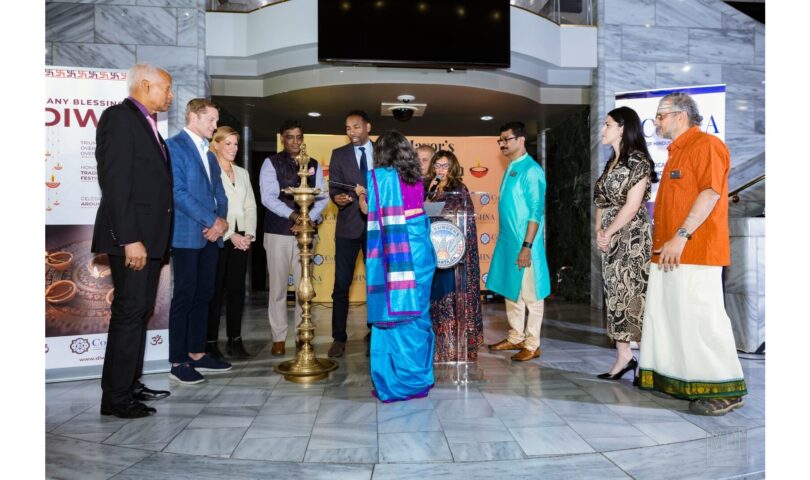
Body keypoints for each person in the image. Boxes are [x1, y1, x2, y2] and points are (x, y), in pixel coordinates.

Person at [638, 93, 747, 415]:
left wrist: (681, 236)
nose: (656, 122)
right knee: (674, 319)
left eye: (661, 115)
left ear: (681, 115)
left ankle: (725, 388)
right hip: (669, 254)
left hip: (696, 252)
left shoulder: (707, 146)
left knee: (703, 319)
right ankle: (683, 380)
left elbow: (711, 193)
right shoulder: (676, 152)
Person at [92, 63, 174, 418]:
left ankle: (130, 383)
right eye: (167, 89)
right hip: (133, 241)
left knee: (138, 312)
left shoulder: (148, 124)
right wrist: (130, 240)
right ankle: (115, 397)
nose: (170, 95)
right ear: (145, 85)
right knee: (128, 314)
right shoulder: (119, 118)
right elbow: (115, 184)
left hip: (150, 240)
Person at [362, 130, 437, 402]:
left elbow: (374, 213)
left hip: (399, 255)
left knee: (397, 318)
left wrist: (363, 197)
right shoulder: (415, 178)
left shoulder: (381, 179)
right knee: (417, 315)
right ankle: (418, 379)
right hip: (421, 252)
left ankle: (397, 383)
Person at [166, 98, 233, 385]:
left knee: (205, 295)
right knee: (185, 296)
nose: (215, 126)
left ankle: (196, 353)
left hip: (211, 236)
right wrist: (211, 221)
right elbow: (177, 192)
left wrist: (221, 222)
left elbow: (221, 193)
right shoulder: (173, 147)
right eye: (211, 120)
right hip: (187, 235)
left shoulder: (208, 154)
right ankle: (177, 361)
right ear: (193, 117)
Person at [593, 106, 657, 381]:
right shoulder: (611, 164)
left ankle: (647, 362)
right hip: (611, 239)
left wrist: (608, 231)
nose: (602, 130)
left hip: (632, 237)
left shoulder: (638, 161)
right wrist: (599, 231)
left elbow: (631, 207)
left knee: (634, 296)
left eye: (607, 125)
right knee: (615, 295)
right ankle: (623, 357)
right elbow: (601, 203)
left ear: (622, 127)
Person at [259, 119, 327, 356]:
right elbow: (268, 197)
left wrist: (307, 220)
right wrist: (293, 216)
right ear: (282, 138)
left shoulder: (314, 164)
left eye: (299, 137)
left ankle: (302, 334)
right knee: (277, 288)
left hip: (306, 234)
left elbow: (322, 198)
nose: (295, 142)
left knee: (303, 287)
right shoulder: (271, 163)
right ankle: (278, 337)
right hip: (278, 231)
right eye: (290, 137)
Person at [486, 121, 551, 361]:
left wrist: (527, 246)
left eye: (506, 139)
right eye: (500, 140)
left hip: (526, 245)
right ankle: (515, 337)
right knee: (512, 292)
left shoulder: (531, 170)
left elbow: (536, 211)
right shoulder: (512, 167)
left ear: (521, 140)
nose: (502, 144)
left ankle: (532, 344)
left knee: (532, 295)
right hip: (508, 244)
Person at [424, 150, 484, 362]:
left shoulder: (460, 189)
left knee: (452, 296)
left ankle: (456, 346)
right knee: (435, 297)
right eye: (437, 165)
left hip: (454, 254)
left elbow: (465, 221)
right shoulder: (429, 188)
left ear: (453, 168)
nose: (440, 169)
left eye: (444, 165)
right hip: (434, 252)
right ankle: (438, 347)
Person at [206, 126, 257, 360]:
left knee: (236, 291)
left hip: (242, 238)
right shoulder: (208, 170)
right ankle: (210, 342)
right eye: (228, 144)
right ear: (215, 144)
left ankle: (235, 340)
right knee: (215, 291)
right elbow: (210, 208)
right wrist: (230, 235)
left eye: (236, 144)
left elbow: (250, 206)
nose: (234, 149)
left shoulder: (242, 173)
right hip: (219, 237)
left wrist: (248, 235)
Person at [327, 110, 374, 358]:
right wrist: (339, 198)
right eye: (348, 128)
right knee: (341, 284)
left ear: (368, 126)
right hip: (347, 228)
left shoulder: (383, 153)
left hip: (377, 229)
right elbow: (334, 187)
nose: (352, 132)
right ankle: (338, 337)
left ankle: (375, 331)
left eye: (356, 127)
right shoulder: (339, 155)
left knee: (376, 283)